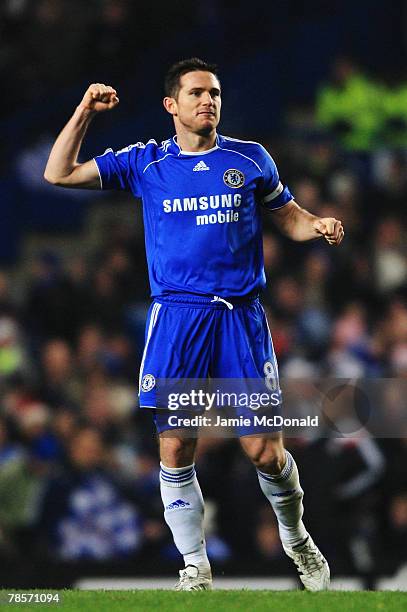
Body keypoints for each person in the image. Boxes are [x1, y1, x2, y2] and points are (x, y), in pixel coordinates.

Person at [44, 57, 344, 591]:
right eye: (197, 93)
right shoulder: (145, 162)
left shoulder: (249, 160)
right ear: (171, 105)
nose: (209, 100)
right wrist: (85, 111)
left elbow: (289, 216)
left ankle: (297, 539)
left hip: (239, 318)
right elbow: (58, 172)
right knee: (176, 444)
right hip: (179, 319)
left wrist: (315, 224)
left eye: (215, 93)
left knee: (265, 452)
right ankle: (194, 565)